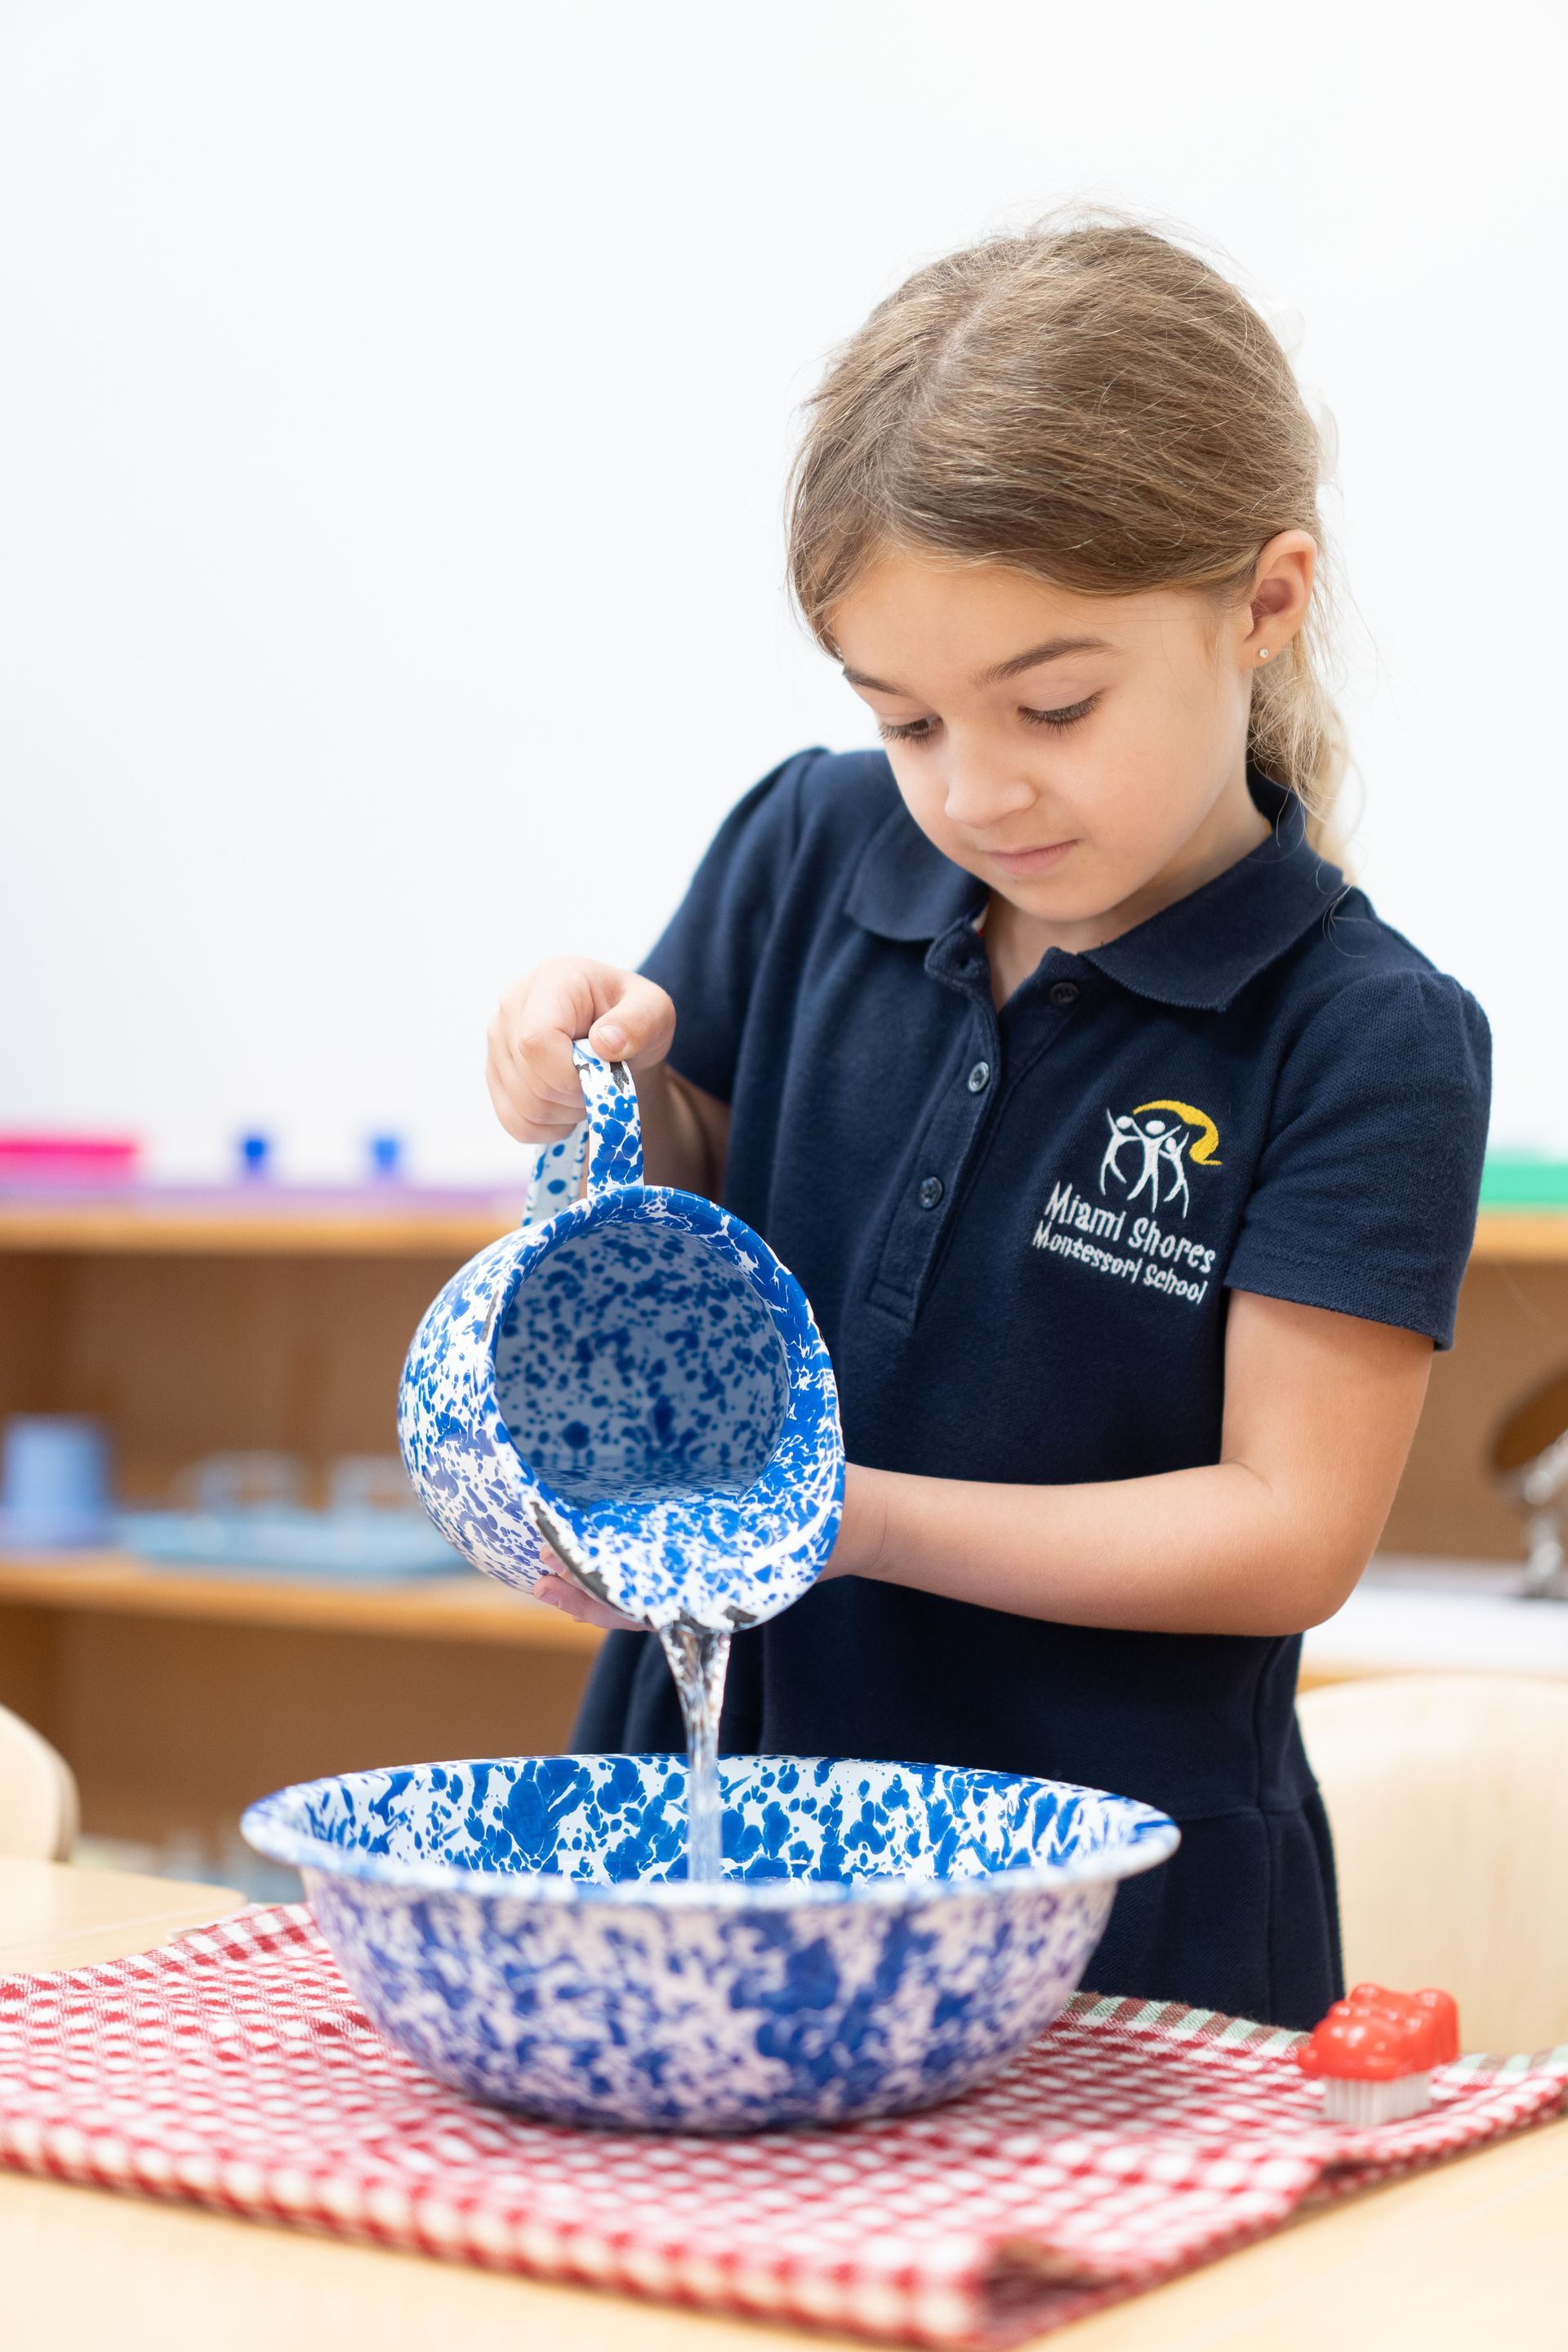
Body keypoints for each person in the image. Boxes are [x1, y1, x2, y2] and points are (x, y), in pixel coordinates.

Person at [484, 212, 1490, 2029]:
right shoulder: (810, 846)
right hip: (721, 1814)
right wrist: (582, 1097)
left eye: (1052, 704)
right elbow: (693, 1186)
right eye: (909, 720)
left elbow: (1286, 1529)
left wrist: (836, 1517)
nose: (976, 789)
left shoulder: (1367, 1034)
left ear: (1263, 602)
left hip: (1112, 1922)